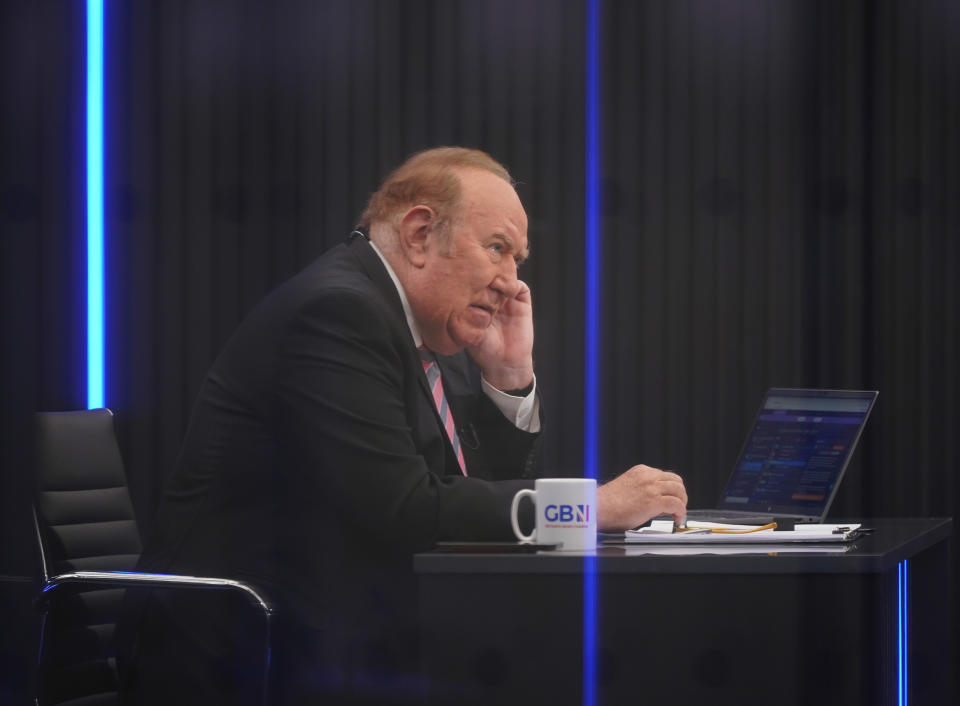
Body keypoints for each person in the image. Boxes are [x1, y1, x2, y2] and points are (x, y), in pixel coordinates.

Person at [122, 147, 687, 705]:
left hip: (327, 639)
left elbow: (469, 500)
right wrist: (587, 508)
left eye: (519, 259)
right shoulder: (339, 313)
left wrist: (509, 379)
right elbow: (408, 509)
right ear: (419, 234)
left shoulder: (407, 327)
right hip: (238, 654)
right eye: (498, 249)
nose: (513, 283)